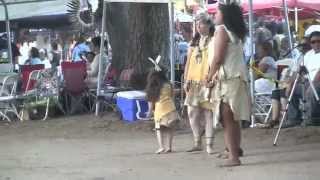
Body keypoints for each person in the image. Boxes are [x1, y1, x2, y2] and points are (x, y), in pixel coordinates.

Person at [206, 1, 250, 167]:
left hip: (228, 80)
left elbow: (218, 59)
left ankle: (233, 156)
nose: (214, 15)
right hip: (236, 78)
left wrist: (209, 77)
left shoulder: (222, 31)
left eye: (217, 12)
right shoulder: (235, 33)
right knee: (233, 118)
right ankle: (234, 150)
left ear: (225, 15)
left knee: (227, 118)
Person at [183, 12, 215, 154]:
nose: (198, 26)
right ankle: (197, 141)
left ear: (208, 25)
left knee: (208, 113)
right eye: (196, 24)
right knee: (192, 113)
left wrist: (213, 79)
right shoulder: (193, 43)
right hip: (192, 82)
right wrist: (185, 80)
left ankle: (209, 145)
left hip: (207, 82)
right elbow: (188, 63)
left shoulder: (214, 41)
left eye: (201, 23)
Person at [145, 66, 179, 154]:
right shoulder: (169, 84)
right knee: (170, 128)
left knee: (158, 129)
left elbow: (151, 101)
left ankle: (161, 147)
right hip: (171, 108)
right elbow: (172, 95)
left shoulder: (152, 86)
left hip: (160, 110)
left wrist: (149, 112)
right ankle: (169, 147)